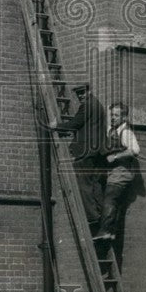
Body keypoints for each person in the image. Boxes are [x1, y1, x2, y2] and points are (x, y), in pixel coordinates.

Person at [49, 82, 107, 234]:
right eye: (78, 93)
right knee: (95, 185)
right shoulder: (97, 104)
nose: (80, 96)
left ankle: (92, 218)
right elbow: (87, 127)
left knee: (83, 184)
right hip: (97, 152)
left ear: (89, 91)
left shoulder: (87, 105)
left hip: (85, 152)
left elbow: (76, 123)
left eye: (82, 92)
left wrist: (57, 126)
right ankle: (101, 214)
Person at [95, 101, 140, 242]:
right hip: (114, 171)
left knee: (110, 198)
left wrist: (115, 156)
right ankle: (111, 232)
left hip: (121, 171)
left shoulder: (126, 132)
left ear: (124, 118)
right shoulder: (113, 130)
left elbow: (135, 150)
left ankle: (105, 232)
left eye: (116, 115)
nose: (113, 117)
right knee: (112, 200)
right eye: (112, 115)